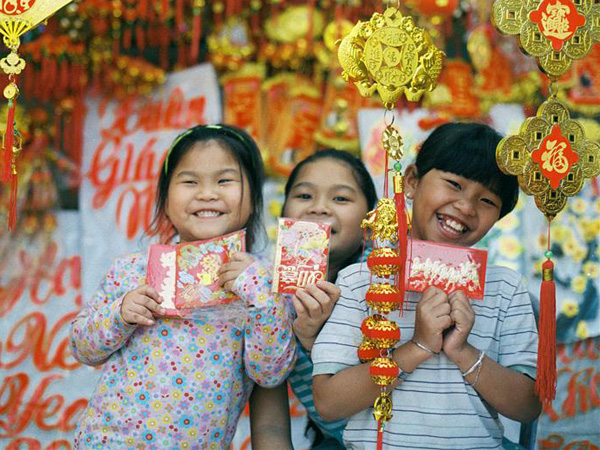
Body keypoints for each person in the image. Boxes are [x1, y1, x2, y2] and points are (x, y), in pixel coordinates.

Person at [311, 123, 542, 449]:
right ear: (412, 182)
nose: (466, 206)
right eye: (454, 184)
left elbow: (528, 406)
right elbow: (329, 402)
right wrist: (417, 347)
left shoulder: (505, 289)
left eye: (487, 201)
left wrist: (463, 352)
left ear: (499, 217)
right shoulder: (362, 280)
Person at [70, 124, 296, 448]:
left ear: (254, 200)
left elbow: (270, 373)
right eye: (189, 181)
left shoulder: (262, 285)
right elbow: (82, 347)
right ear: (165, 199)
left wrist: (260, 297)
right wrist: (120, 314)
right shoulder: (133, 270)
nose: (207, 193)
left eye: (225, 180)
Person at [249, 149, 378, 449]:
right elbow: (270, 425)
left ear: (370, 220)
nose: (319, 208)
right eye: (304, 196)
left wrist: (319, 338)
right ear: (283, 213)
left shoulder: (386, 279)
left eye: (341, 199)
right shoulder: (267, 295)